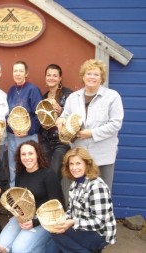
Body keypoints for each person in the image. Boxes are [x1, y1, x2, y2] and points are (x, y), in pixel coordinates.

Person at [56, 59, 124, 191]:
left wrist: (91, 133)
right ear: (83, 76)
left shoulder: (112, 97)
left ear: (101, 78)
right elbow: (64, 116)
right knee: (79, 193)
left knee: (101, 193)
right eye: (89, 73)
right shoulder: (73, 97)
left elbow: (116, 124)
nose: (92, 77)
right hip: (79, 156)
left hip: (102, 155)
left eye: (96, 74)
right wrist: (60, 121)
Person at [0, 140, 64, 253]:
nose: (27, 157)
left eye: (30, 153)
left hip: (44, 219)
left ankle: (47, 246)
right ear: (19, 156)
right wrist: (19, 215)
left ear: (37, 154)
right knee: (2, 247)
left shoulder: (48, 174)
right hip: (24, 217)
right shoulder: (20, 174)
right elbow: (18, 201)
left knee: (19, 250)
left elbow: (58, 205)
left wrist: (35, 222)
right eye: (23, 154)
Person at [51, 147, 116, 252]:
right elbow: (72, 212)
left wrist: (72, 222)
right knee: (55, 229)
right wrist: (61, 219)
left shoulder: (96, 186)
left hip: (99, 233)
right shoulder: (74, 184)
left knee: (57, 233)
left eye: (78, 163)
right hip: (82, 228)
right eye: (71, 164)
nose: (74, 167)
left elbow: (99, 222)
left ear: (87, 164)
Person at [7, 60, 43, 187]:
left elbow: (40, 114)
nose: (17, 73)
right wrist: (11, 129)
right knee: (13, 167)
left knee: (29, 165)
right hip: (12, 136)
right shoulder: (11, 91)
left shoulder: (33, 89)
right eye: (15, 71)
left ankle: (31, 192)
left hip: (28, 136)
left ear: (26, 73)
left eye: (21, 71)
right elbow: (9, 115)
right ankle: (14, 191)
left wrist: (28, 131)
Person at [40, 64, 73, 180]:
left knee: (54, 173)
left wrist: (61, 110)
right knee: (44, 172)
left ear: (60, 78)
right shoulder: (43, 97)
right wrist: (43, 123)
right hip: (46, 141)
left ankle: (55, 198)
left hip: (62, 141)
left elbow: (76, 116)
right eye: (48, 75)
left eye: (55, 75)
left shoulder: (68, 94)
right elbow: (42, 120)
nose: (51, 78)